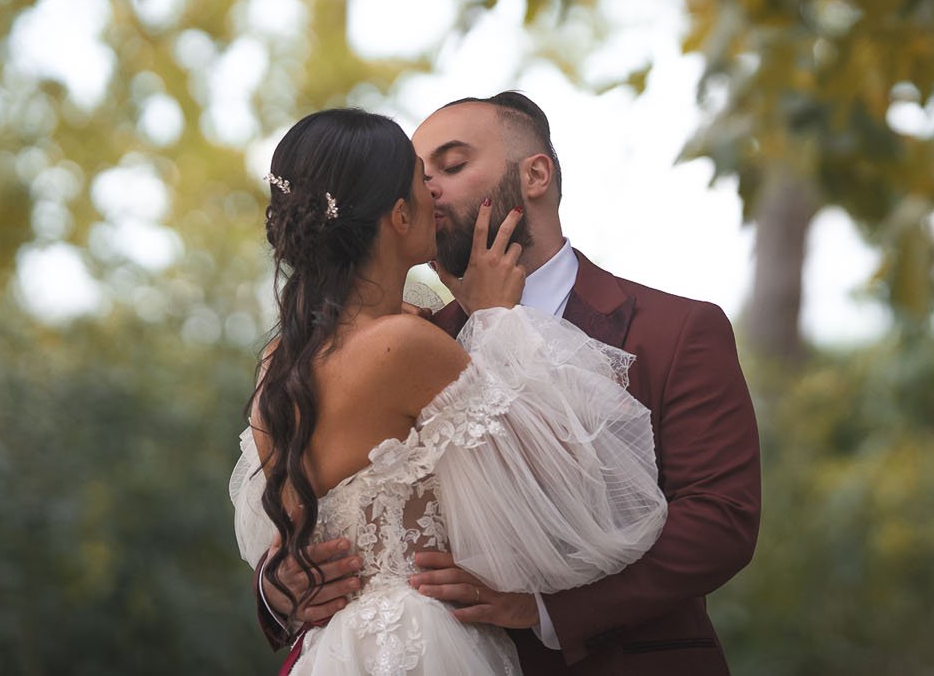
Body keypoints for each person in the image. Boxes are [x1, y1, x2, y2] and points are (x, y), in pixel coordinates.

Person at [251, 92, 762, 675]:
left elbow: (721, 523)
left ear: (536, 174)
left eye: (451, 165)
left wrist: (546, 611)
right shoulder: (409, 340)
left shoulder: (677, 329)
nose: (429, 190)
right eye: (418, 176)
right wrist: (278, 587)